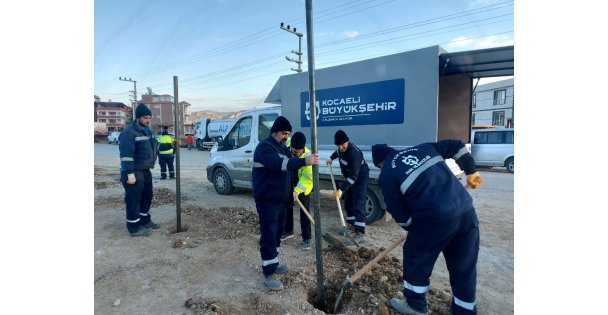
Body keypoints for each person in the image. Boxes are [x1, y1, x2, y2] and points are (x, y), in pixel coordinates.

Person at [371, 141, 483, 315]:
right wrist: (471, 171)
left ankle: (416, 306)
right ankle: (465, 310)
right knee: (464, 266)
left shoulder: (387, 173)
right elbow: (457, 145)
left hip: (434, 218)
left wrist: (411, 228)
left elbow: (396, 209)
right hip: (466, 211)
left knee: (416, 258)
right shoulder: (423, 148)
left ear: (380, 163)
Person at [252, 116, 320, 291]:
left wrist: (303, 156)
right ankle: (268, 272)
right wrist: (305, 161)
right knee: (269, 234)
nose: (285, 137)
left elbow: (294, 158)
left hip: (280, 200)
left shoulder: (281, 147)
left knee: (277, 233)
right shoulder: (265, 148)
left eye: (287, 134)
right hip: (267, 200)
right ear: (274, 131)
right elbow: (282, 164)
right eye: (283, 133)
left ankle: (274, 262)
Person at [118, 103, 160, 237]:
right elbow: (126, 156)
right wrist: (130, 174)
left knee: (147, 197)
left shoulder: (147, 130)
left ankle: (144, 220)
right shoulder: (129, 132)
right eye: (145, 117)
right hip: (133, 171)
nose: (148, 120)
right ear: (138, 118)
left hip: (145, 170)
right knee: (133, 199)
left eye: (149, 117)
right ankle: (134, 227)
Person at [326, 129, 369, 244]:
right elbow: (338, 153)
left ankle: (359, 233)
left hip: (359, 178)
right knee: (348, 201)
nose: (340, 147)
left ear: (347, 141)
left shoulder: (355, 154)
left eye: (342, 144)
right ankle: (350, 226)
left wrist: (341, 190)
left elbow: (354, 177)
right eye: (338, 145)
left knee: (358, 202)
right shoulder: (341, 149)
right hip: (350, 177)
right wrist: (331, 158)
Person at [283, 132, 314, 251]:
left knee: (304, 210)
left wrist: (297, 190)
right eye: (294, 151)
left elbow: (306, 178)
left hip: (303, 184)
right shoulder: (286, 144)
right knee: (287, 204)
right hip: (290, 179)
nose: (297, 153)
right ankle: (288, 231)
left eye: (299, 151)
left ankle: (306, 238)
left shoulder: (307, 155)